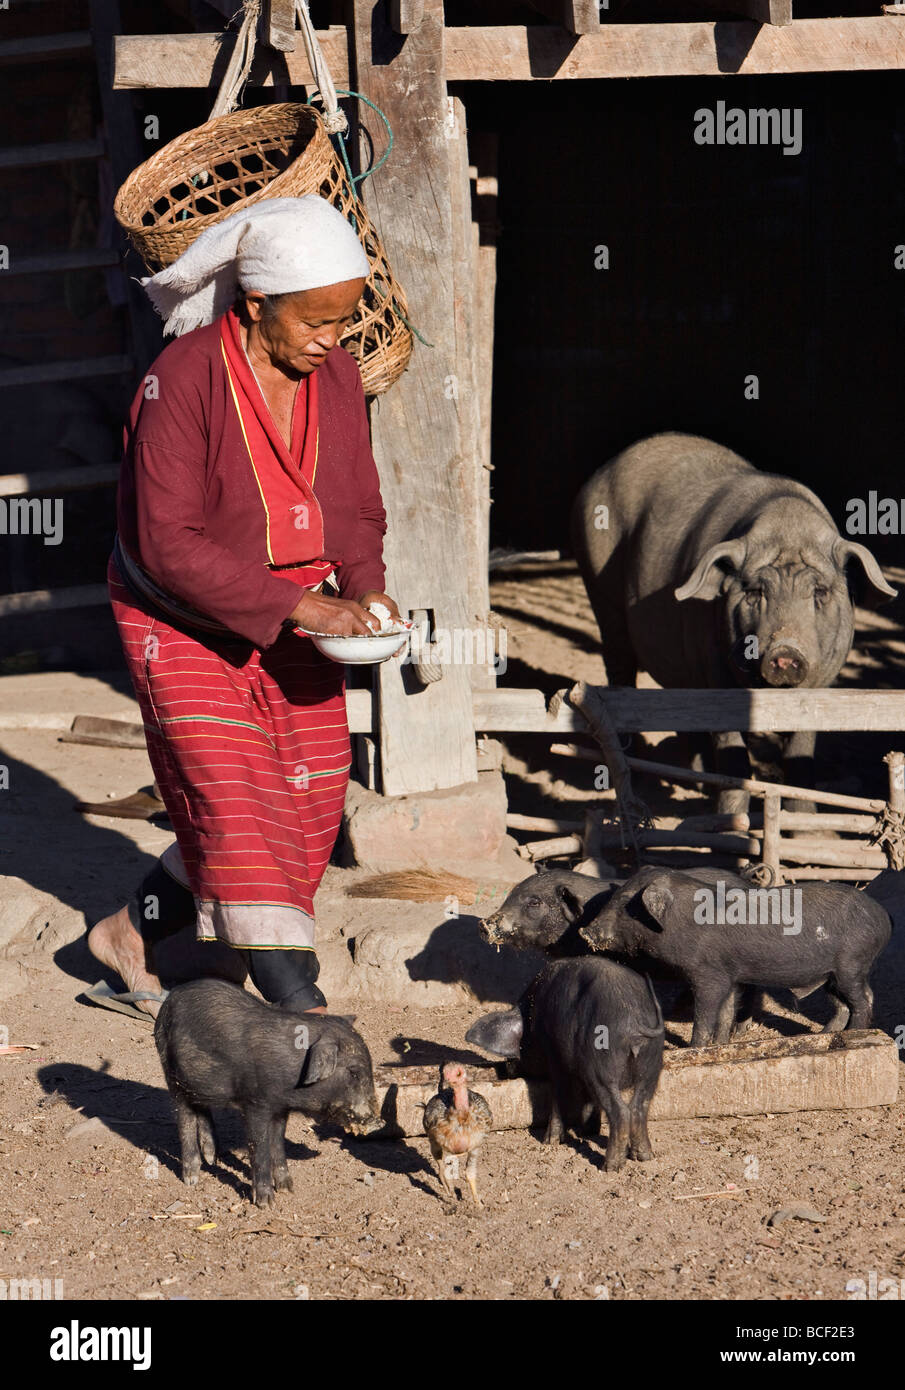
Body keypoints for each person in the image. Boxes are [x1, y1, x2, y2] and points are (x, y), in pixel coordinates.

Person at [88, 196, 400, 1018]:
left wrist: (363, 587)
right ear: (257, 304)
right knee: (233, 797)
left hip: (297, 608)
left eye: (345, 318)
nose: (333, 337)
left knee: (305, 800)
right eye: (317, 319)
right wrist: (303, 608)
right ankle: (298, 1008)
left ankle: (130, 932)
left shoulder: (332, 375)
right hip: (178, 617)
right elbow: (167, 542)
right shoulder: (180, 381)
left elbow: (356, 501)